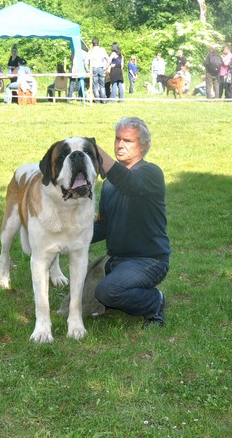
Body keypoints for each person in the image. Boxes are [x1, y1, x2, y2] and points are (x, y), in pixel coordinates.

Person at [92, 117, 171, 328]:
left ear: (144, 146)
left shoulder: (151, 173)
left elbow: (130, 184)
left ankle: (154, 302)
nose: (119, 145)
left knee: (107, 292)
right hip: (117, 260)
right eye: (117, 138)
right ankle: (121, 286)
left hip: (149, 260)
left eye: (128, 140)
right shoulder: (109, 184)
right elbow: (103, 227)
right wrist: (70, 236)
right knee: (85, 294)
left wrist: (97, 152)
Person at [86, 38, 109, 103]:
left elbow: (86, 61)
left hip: (94, 69)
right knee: (102, 85)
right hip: (101, 68)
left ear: (92, 44)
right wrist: (105, 67)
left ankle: (97, 100)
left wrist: (87, 69)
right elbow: (108, 59)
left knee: (95, 85)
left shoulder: (91, 51)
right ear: (98, 43)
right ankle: (103, 100)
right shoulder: (102, 50)